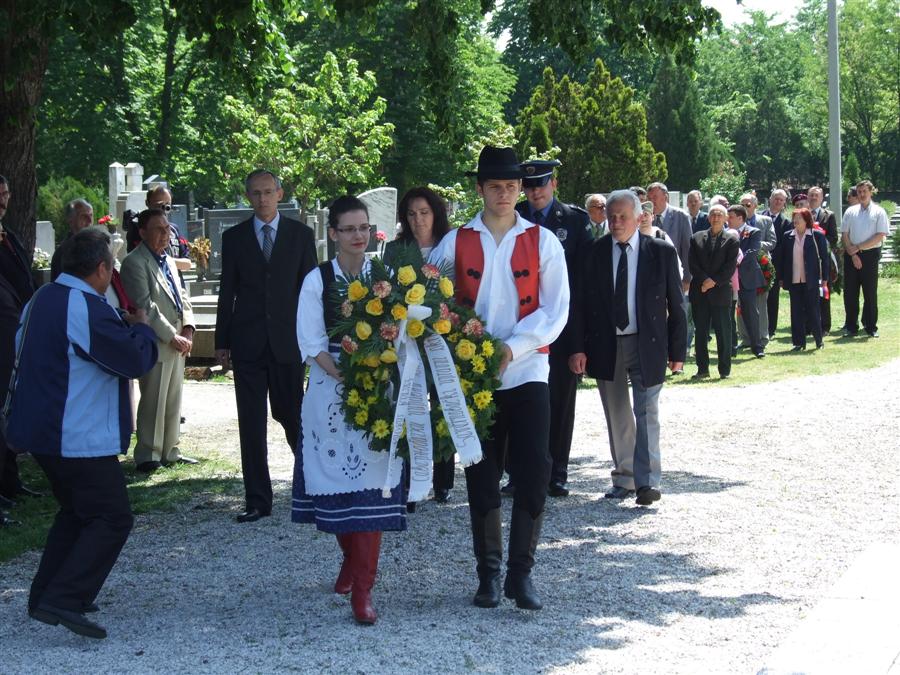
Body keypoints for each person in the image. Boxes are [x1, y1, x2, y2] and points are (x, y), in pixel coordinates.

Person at [432, 146, 568, 611]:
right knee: (482, 475)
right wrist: (464, 348)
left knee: (534, 472)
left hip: (527, 370)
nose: (505, 194)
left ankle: (521, 574)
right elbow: (433, 303)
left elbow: (555, 309)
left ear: (521, 189)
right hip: (475, 378)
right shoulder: (453, 242)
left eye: (512, 187)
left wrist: (514, 347)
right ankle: (488, 575)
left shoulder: (543, 241)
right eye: (496, 187)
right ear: (480, 189)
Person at [6, 228, 158, 639]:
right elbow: (132, 359)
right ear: (101, 269)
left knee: (76, 512)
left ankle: (45, 593)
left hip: (43, 431)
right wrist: (142, 329)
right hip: (76, 434)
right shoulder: (84, 306)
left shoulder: (42, 297)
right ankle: (65, 597)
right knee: (112, 517)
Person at [293, 195, 406, 625]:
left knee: (373, 488)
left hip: (377, 391)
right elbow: (310, 342)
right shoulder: (317, 280)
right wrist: (346, 373)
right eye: (349, 229)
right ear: (333, 233)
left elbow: (400, 333)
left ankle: (363, 589)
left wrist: (378, 369)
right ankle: (351, 560)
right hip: (331, 391)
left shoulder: (385, 277)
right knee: (337, 487)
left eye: (364, 228)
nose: (358, 236)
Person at [568, 190, 686, 505]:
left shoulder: (660, 251)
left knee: (646, 411)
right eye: (612, 217)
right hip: (605, 343)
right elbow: (578, 304)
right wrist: (578, 347)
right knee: (617, 411)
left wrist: (678, 351)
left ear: (639, 217)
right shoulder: (593, 253)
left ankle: (648, 483)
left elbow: (677, 303)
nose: (617, 222)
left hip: (647, 342)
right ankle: (625, 477)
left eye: (623, 216)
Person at [215, 169, 318, 522]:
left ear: (279, 193)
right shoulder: (234, 238)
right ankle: (257, 499)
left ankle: (311, 486)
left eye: (268, 192)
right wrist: (222, 341)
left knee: (293, 415)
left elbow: (310, 291)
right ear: (248, 197)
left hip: (289, 342)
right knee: (251, 423)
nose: (262, 199)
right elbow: (227, 291)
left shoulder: (301, 236)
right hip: (248, 343)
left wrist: (313, 337)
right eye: (256, 193)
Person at [511, 158, 590, 498]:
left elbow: (582, 288)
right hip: (521, 328)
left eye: (541, 184)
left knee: (559, 402)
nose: (535, 192)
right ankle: (518, 472)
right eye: (528, 186)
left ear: (554, 184)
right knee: (518, 401)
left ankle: (557, 471)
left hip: (562, 330)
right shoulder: (513, 216)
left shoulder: (574, 220)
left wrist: (578, 344)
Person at [383, 186, 454, 503]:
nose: (418, 220)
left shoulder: (450, 245)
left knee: (443, 404)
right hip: (407, 339)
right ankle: (410, 480)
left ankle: (443, 481)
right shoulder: (395, 250)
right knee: (409, 405)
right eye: (411, 214)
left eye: (424, 213)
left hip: (444, 337)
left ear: (435, 214)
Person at [120, 209, 196, 473]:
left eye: (167, 229)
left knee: (173, 398)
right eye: (159, 229)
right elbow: (145, 305)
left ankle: (170, 450)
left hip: (178, 339)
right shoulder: (134, 262)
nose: (165, 234)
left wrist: (188, 327)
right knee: (154, 398)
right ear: (142, 233)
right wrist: (171, 335)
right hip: (156, 340)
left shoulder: (168, 260)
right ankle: (148, 454)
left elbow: (182, 296)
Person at [0, 175, 40, 525]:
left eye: (6, 195)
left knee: (9, 408)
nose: (3, 202)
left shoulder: (9, 236)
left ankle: (10, 481)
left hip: (15, 332)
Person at [688, 204, 739, 379]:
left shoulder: (732, 240)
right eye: (713, 215)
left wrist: (712, 282)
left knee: (723, 332)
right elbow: (692, 264)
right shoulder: (696, 238)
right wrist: (704, 281)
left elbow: (729, 267)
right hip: (700, 292)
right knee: (701, 332)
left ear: (726, 219)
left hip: (720, 292)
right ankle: (702, 369)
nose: (716, 218)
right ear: (708, 218)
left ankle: (724, 370)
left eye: (720, 215)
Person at [647, 182, 692, 370]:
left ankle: (679, 355)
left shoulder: (680, 216)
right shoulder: (645, 218)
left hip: (676, 276)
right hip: (654, 282)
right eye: (649, 198)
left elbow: (687, 248)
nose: (651, 201)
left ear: (665, 197)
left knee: (679, 314)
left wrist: (687, 278)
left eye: (655, 197)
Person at [775, 208, 830, 351]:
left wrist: (825, 278)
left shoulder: (816, 235)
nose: (796, 220)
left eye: (799, 218)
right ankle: (798, 343)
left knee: (813, 311)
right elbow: (782, 259)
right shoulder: (787, 236)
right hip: (794, 280)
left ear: (806, 220)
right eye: (794, 217)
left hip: (811, 280)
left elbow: (825, 258)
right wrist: (781, 278)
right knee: (796, 312)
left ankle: (819, 341)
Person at [841, 180, 889, 338]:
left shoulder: (879, 212)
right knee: (850, 292)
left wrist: (859, 247)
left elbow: (880, 235)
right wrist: (853, 253)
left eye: (864, 191)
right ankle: (851, 326)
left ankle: (870, 326)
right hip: (851, 255)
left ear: (871, 192)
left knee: (869, 292)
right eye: (859, 192)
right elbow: (845, 234)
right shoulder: (850, 211)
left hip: (870, 256)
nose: (861, 194)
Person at [736, 193, 775, 349]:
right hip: (739, 268)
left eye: (748, 205)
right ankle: (745, 338)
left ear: (755, 205)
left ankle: (762, 337)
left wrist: (755, 243)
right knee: (741, 305)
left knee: (760, 305)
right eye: (742, 205)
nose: (745, 207)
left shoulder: (765, 221)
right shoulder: (734, 223)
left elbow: (772, 242)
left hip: (760, 265)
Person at [729, 205, 766, 358]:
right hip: (729, 279)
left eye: (731, 217)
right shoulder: (725, 232)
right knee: (728, 313)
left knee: (750, 312)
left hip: (747, 278)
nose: (728, 220)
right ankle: (731, 347)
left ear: (740, 218)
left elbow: (753, 252)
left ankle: (757, 346)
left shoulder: (753, 232)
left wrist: (735, 261)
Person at [125, 186, 191, 272]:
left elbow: (187, 263)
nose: (163, 209)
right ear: (147, 203)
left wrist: (165, 260)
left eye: (167, 205)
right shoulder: (139, 229)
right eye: (158, 205)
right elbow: (140, 260)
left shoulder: (174, 229)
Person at [807, 186, 839, 333]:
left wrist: (819, 240)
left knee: (823, 294)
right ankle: (808, 326)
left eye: (816, 195)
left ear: (821, 198)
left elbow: (833, 238)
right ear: (808, 197)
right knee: (807, 294)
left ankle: (825, 326)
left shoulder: (829, 215)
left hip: (822, 261)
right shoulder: (802, 214)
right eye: (811, 195)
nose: (814, 198)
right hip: (805, 261)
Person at [763, 189, 792, 337]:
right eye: (776, 198)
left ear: (784, 203)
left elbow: (786, 249)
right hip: (757, 264)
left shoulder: (787, 223)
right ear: (770, 199)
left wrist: (783, 274)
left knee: (773, 299)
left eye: (781, 200)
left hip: (776, 266)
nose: (778, 202)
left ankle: (770, 329)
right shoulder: (759, 217)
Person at [49, 199, 94, 280]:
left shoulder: (95, 246)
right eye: (84, 216)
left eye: (91, 215)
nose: (90, 221)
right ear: (71, 221)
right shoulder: (64, 252)